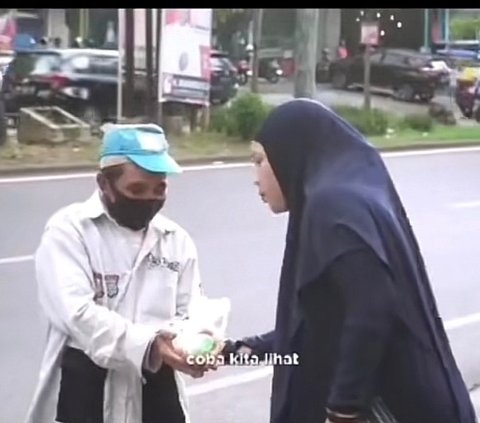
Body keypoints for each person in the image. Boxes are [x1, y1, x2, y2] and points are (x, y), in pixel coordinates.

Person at [224, 99, 476, 423]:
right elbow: (314, 332)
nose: (255, 176)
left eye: (259, 159)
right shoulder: (343, 198)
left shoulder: (334, 205)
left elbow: (372, 307)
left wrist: (343, 410)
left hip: (399, 407)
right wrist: (232, 352)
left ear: (291, 153)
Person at [25, 124, 220, 423]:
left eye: (160, 189)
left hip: (158, 390)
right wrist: (150, 345)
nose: (150, 200)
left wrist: (198, 341)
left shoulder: (175, 240)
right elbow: (77, 313)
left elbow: (192, 308)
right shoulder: (69, 232)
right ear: (104, 184)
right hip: (86, 389)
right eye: (137, 190)